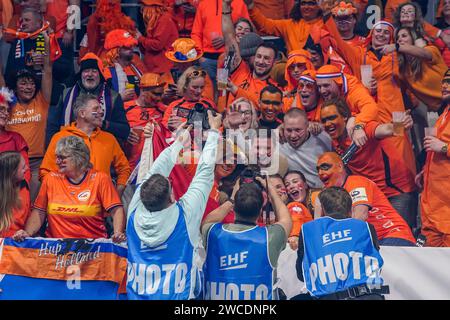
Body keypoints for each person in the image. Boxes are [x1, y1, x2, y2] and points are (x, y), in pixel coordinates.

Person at [126, 111, 222, 300]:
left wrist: (178, 143)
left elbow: (154, 170)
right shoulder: (184, 217)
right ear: (172, 195)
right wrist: (213, 131)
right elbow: (204, 173)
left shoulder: (133, 210)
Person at [320, 99, 418, 229]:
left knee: (399, 240)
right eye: (324, 120)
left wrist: (401, 125)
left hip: (396, 193)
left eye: (332, 118)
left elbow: (387, 129)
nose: (328, 124)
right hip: (372, 197)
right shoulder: (335, 142)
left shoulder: (362, 129)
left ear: (344, 117)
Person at [13, 136, 126, 242]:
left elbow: (116, 210)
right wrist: (27, 233)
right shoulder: (50, 179)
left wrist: (117, 233)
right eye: (57, 157)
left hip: (92, 249)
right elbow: (39, 212)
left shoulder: (100, 179)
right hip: (56, 247)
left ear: (78, 157)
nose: (57, 162)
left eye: (62, 158)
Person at [201, 173, 292, 300]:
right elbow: (285, 219)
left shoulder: (214, 234)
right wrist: (271, 190)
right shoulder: (269, 237)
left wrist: (232, 199)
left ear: (234, 208)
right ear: (261, 209)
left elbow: (207, 221)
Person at [296, 187, 388, 300]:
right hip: (370, 296)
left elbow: (301, 275)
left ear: (322, 211)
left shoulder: (308, 230)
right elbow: (375, 265)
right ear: (350, 211)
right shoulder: (366, 227)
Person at [316, 152, 416, 246]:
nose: (320, 172)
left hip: (393, 235)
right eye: (318, 169)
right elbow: (318, 227)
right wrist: (319, 201)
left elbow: (360, 217)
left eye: (325, 167)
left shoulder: (356, 182)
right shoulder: (330, 194)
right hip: (373, 241)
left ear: (340, 167)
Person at [40, 93, 130, 196]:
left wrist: (116, 194)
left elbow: (124, 168)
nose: (101, 112)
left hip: (101, 204)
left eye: (101, 108)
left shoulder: (109, 139)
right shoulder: (60, 137)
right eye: (96, 109)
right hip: (66, 203)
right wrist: (59, 193)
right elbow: (45, 172)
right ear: (82, 113)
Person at [1, 31, 52, 202]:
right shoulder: (8, 103)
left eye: (31, 83)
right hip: (12, 161)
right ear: (15, 86)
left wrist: (46, 43)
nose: (28, 87)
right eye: (23, 83)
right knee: (11, 206)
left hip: (37, 163)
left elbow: (48, 70)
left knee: (34, 204)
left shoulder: (41, 100)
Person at [46, 52, 130, 145]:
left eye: (94, 71)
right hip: (71, 149)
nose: (90, 74)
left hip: (101, 149)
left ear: (100, 75)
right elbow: (52, 125)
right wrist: (55, 147)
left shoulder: (113, 97)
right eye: (86, 71)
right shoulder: (66, 94)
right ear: (81, 74)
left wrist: (102, 123)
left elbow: (124, 130)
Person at [222, 0, 279, 107]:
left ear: (274, 62)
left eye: (266, 58)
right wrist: (225, 6)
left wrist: (236, 90)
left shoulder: (274, 88)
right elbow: (229, 37)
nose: (261, 61)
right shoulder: (241, 71)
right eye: (259, 56)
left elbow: (262, 105)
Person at [416, 70, 450, 247]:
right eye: (444, 81)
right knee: (428, 268)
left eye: (449, 82)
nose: (444, 85)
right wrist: (426, 171)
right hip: (432, 211)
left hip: (447, 216)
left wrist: (444, 147)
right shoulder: (444, 112)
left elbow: (441, 146)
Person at [380, 27, 448, 112]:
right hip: (442, 109)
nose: (399, 39)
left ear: (413, 39)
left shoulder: (431, 50)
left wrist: (397, 46)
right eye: (397, 38)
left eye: (404, 36)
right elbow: (399, 92)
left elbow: (424, 53)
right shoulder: (403, 70)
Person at [316, 64, 379, 146]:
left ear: (338, 82)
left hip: (371, 138)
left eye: (326, 85)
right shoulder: (329, 93)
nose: (322, 91)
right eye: (319, 86)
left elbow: (372, 108)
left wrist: (357, 122)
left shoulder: (354, 90)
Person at [191, 0, 249, 85]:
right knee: (207, 92)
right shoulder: (203, 3)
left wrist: (227, 38)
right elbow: (196, 33)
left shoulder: (239, 3)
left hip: (229, 58)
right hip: (207, 59)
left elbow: (247, 30)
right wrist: (200, 57)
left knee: (224, 89)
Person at [124, 73, 167, 172]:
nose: (159, 98)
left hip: (155, 166)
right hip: (129, 167)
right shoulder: (124, 107)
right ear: (143, 90)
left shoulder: (164, 110)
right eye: (156, 94)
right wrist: (125, 133)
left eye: (161, 94)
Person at [243, 0, 323, 52]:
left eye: (311, 3)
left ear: (319, 6)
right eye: (303, 3)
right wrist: (251, 6)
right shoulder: (289, 25)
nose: (306, 7)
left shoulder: (325, 23)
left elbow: (335, 45)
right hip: (294, 69)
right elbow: (265, 25)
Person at [280, 108, 331, 188]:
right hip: (299, 194)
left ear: (307, 126)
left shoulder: (323, 138)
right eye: (289, 130)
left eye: (298, 130)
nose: (293, 135)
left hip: (327, 190)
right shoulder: (278, 139)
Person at [162, 66, 217, 131]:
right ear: (185, 85)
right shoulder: (174, 105)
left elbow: (214, 129)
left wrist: (184, 126)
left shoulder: (208, 104)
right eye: (195, 87)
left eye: (201, 87)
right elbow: (163, 128)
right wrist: (168, 126)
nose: (199, 91)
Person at [102, 29, 147, 102]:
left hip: (138, 110)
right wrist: (120, 98)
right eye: (127, 47)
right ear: (116, 51)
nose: (131, 49)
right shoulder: (106, 72)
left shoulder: (136, 68)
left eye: (131, 46)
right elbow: (102, 100)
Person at [164, 38, 214, 103]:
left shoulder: (202, 75)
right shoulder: (169, 74)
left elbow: (208, 100)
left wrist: (185, 94)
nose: (182, 65)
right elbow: (160, 98)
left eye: (185, 62)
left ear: (192, 61)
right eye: (179, 62)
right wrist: (165, 95)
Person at [138, 0, 178, 79]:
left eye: (144, 6)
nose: (141, 9)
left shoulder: (164, 19)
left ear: (153, 7)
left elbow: (157, 45)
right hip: (154, 69)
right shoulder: (156, 20)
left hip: (162, 70)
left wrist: (140, 38)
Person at [0, 87, 30, 183]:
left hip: (12, 192)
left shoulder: (16, 138)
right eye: (1, 109)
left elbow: (25, 172)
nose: (5, 114)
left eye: (8, 110)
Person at [0, 151, 30, 238]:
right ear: (12, 172)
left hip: (18, 241)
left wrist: (25, 232)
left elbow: (28, 216)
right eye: (23, 167)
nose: (27, 168)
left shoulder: (24, 185)